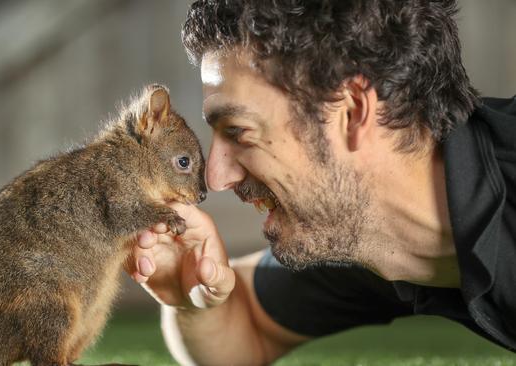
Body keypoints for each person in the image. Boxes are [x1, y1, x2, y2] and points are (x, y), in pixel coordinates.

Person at [124, 0, 516, 364]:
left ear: (353, 112)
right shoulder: (365, 226)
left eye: (239, 131)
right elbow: (245, 324)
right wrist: (190, 299)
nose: (217, 177)